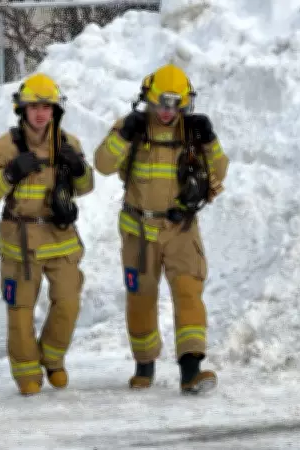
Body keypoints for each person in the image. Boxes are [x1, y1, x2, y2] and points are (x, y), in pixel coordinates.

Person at [93, 63, 229, 394]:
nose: (168, 112)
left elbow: (219, 172)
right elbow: (103, 163)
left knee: (188, 291)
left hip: (180, 228)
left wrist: (209, 140)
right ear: (149, 101)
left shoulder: (193, 132)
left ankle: (190, 370)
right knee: (141, 296)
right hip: (138, 230)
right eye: (161, 104)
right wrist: (125, 133)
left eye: (175, 105)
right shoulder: (133, 128)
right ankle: (144, 364)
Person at [0, 73, 94, 396]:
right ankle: (26, 372)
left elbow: (86, 188)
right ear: (22, 110)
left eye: (46, 107)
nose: (40, 113)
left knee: (68, 303)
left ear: (55, 110)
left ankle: (53, 358)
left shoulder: (69, 144)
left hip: (60, 237)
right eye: (33, 107)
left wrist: (80, 170)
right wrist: (10, 173)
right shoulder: (5, 146)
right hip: (21, 241)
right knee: (20, 311)